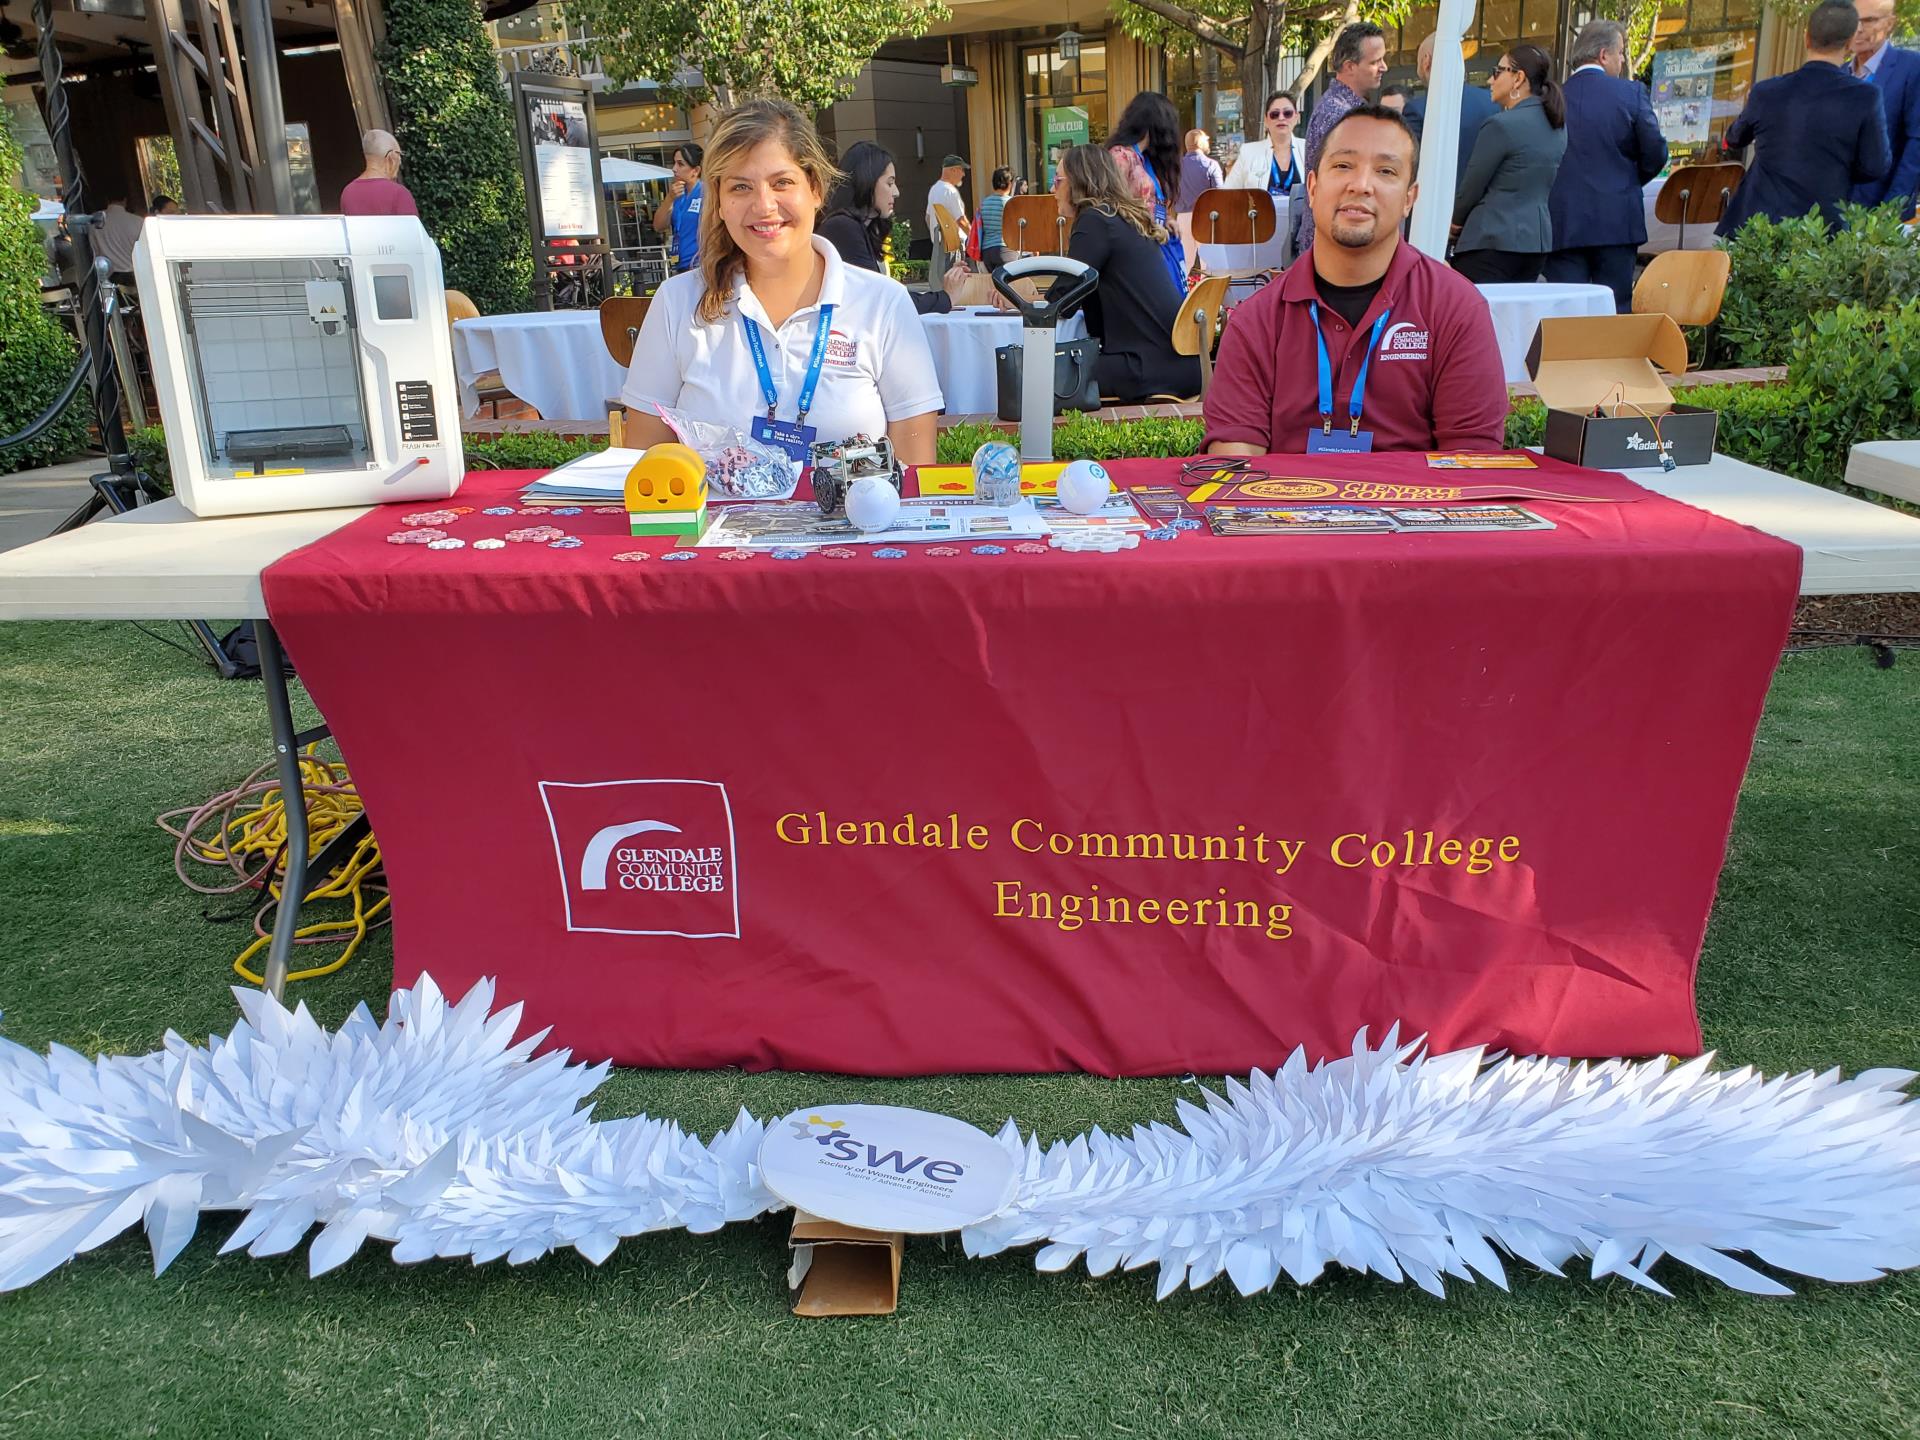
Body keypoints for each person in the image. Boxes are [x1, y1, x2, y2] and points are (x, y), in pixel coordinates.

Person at [620, 99, 944, 467]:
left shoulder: (883, 304)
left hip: (855, 524)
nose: (764, 205)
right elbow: (645, 466)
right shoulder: (677, 303)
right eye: (740, 187)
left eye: (782, 183)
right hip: (715, 524)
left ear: (816, 189)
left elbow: (915, 474)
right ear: (721, 202)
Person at [1202, 104, 1507, 456]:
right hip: (1283, 509)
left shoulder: (1456, 308)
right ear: (1313, 188)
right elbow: (1235, 471)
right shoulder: (1256, 321)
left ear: (1410, 198)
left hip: (1418, 507)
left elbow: (1471, 464)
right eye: (1343, 165)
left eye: (1386, 171)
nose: (1361, 185)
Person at [1717, 0, 1890, 236]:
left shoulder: (1766, 91)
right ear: (1850, 43)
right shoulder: (1866, 97)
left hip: (1756, 226)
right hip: (1820, 229)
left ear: (1806, 37)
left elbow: (1735, 138)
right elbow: (1875, 166)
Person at [1052, 144, 1200, 402]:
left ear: (1078, 183)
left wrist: (1022, 295)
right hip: (1181, 364)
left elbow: (1061, 301)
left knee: (1043, 373)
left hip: (1145, 367)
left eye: (1057, 180)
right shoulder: (1125, 218)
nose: (1053, 190)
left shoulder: (1095, 220)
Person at [1544, 20, 1668, 312]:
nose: (1623, 60)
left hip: (1563, 222)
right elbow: (1656, 152)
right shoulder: (1631, 94)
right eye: (1621, 53)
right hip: (1616, 221)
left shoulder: (1550, 99)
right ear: (1603, 55)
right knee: (1614, 312)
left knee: (1566, 315)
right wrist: (1627, 179)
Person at [1451, 44, 1568, 284]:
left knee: (1477, 317)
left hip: (1490, 240)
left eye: (1497, 71)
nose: (1490, 80)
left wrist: (1455, 222)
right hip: (1536, 242)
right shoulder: (1557, 126)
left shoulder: (1501, 125)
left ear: (1518, 78)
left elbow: (1472, 186)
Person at [818, 140, 970, 315]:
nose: (896, 192)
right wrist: (944, 298)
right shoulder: (843, 228)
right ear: (866, 182)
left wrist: (943, 294)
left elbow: (885, 295)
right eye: (890, 183)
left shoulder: (853, 227)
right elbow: (881, 299)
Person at [1297, 22, 1390, 251]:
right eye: (1375, 61)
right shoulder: (1340, 115)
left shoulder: (1341, 110)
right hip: (1336, 245)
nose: (1384, 67)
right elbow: (1336, 189)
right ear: (1349, 66)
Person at [1108, 91, 1189, 292]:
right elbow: (1112, 206)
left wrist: (1166, 219)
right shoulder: (1121, 157)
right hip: (1135, 251)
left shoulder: (1144, 159)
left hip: (1153, 245)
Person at [1848, 0, 1920, 218]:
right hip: (1829, 213)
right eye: (1853, 20)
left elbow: (1916, 144)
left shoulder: (1912, 68)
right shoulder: (1839, 74)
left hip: (1880, 212)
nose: (1859, 29)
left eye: (1869, 20)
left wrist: (1890, 211)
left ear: (1890, 24)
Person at [1403, 33, 1499, 190]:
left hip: (1436, 206)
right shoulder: (1492, 103)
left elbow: (1409, 166)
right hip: (1485, 206)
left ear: (1426, 61)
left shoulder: (1418, 110)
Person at [651, 143, 705, 274]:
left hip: (701, 264)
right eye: (674, 163)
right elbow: (658, 226)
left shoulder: (707, 193)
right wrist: (669, 198)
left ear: (695, 170)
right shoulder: (677, 194)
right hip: (680, 265)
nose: (674, 169)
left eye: (680, 164)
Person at [340, 130, 417, 216]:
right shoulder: (399, 193)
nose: (400, 162)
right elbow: (411, 228)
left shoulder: (348, 192)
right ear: (391, 157)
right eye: (399, 154)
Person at [926, 155, 970, 280]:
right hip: (953, 245)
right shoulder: (950, 191)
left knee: (942, 282)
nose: (963, 175)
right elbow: (961, 221)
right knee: (954, 283)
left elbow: (927, 217)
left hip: (939, 245)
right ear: (953, 170)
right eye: (962, 170)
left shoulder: (934, 189)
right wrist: (975, 238)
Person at [89, 196, 144, 282]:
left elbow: (92, 251)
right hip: (136, 276)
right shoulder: (139, 221)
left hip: (107, 278)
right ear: (125, 200)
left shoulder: (94, 220)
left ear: (107, 200)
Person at [978, 166, 1015, 269]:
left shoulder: (984, 203)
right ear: (1010, 183)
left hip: (986, 252)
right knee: (1008, 283)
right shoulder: (1011, 203)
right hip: (1006, 250)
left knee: (993, 283)